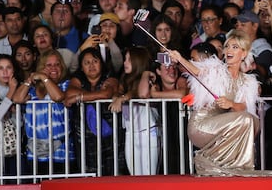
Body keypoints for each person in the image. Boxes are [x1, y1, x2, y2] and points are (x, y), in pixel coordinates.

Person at [169, 29, 260, 175]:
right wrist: (180, 58)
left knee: (252, 121)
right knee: (246, 119)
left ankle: (234, 167)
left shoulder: (248, 81)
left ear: (243, 53)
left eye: (235, 47)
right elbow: (197, 71)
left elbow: (243, 106)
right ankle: (233, 166)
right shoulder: (215, 68)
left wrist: (231, 104)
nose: (229, 50)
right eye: (227, 46)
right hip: (202, 125)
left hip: (224, 126)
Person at [12, 50, 75, 175]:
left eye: (57, 64)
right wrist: (30, 79)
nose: (54, 68)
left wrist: (45, 78)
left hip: (61, 152)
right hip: (35, 152)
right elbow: (16, 99)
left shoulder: (66, 85)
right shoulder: (32, 90)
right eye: (49, 65)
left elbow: (58, 97)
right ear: (41, 68)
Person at [64, 47, 120, 175]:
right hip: (85, 137)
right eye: (86, 62)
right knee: (87, 174)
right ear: (82, 67)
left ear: (101, 63)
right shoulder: (77, 78)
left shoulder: (109, 76)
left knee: (112, 173)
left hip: (110, 136)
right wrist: (96, 95)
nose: (91, 65)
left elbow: (107, 93)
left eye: (95, 61)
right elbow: (69, 92)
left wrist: (79, 98)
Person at [109, 46, 161, 175]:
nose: (125, 63)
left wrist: (144, 74)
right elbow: (117, 94)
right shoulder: (125, 80)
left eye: (129, 60)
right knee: (135, 175)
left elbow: (142, 93)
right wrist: (119, 98)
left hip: (148, 131)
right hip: (131, 133)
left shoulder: (148, 78)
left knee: (149, 175)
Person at [0, 54, 19, 177]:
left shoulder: (20, 86)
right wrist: (12, 90)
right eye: (0, 68)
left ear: (14, 69)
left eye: (8, 67)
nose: (5, 72)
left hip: (19, 140)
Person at [234, 10, 272, 79]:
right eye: (237, 25)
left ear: (255, 26)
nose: (238, 28)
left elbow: (262, 76)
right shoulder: (234, 48)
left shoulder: (264, 51)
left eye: (243, 25)